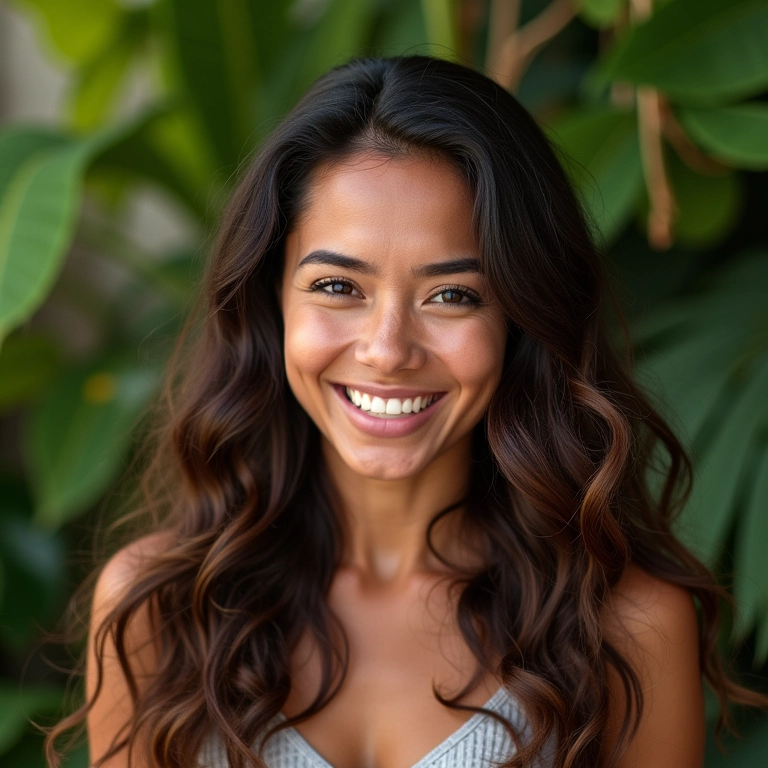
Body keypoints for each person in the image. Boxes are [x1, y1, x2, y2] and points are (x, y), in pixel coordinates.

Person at [46, 55, 765, 768]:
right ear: (271, 302)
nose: (388, 349)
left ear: (521, 320)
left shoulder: (625, 627)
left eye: (452, 295)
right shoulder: (159, 610)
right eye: (337, 286)